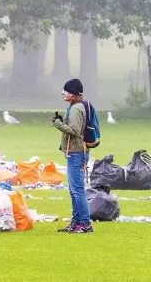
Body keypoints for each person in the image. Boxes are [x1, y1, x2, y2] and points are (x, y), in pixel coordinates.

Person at [52, 78, 93, 234]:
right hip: (76, 152)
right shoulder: (77, 106)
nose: (64, 93)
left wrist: (57, 123)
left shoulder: (76, 109)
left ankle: (85, 224)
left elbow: (75, 131)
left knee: (77, 190)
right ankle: (76, 222)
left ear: (74, 94)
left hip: (76, 152)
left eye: (67, 91)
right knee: (73, 189)